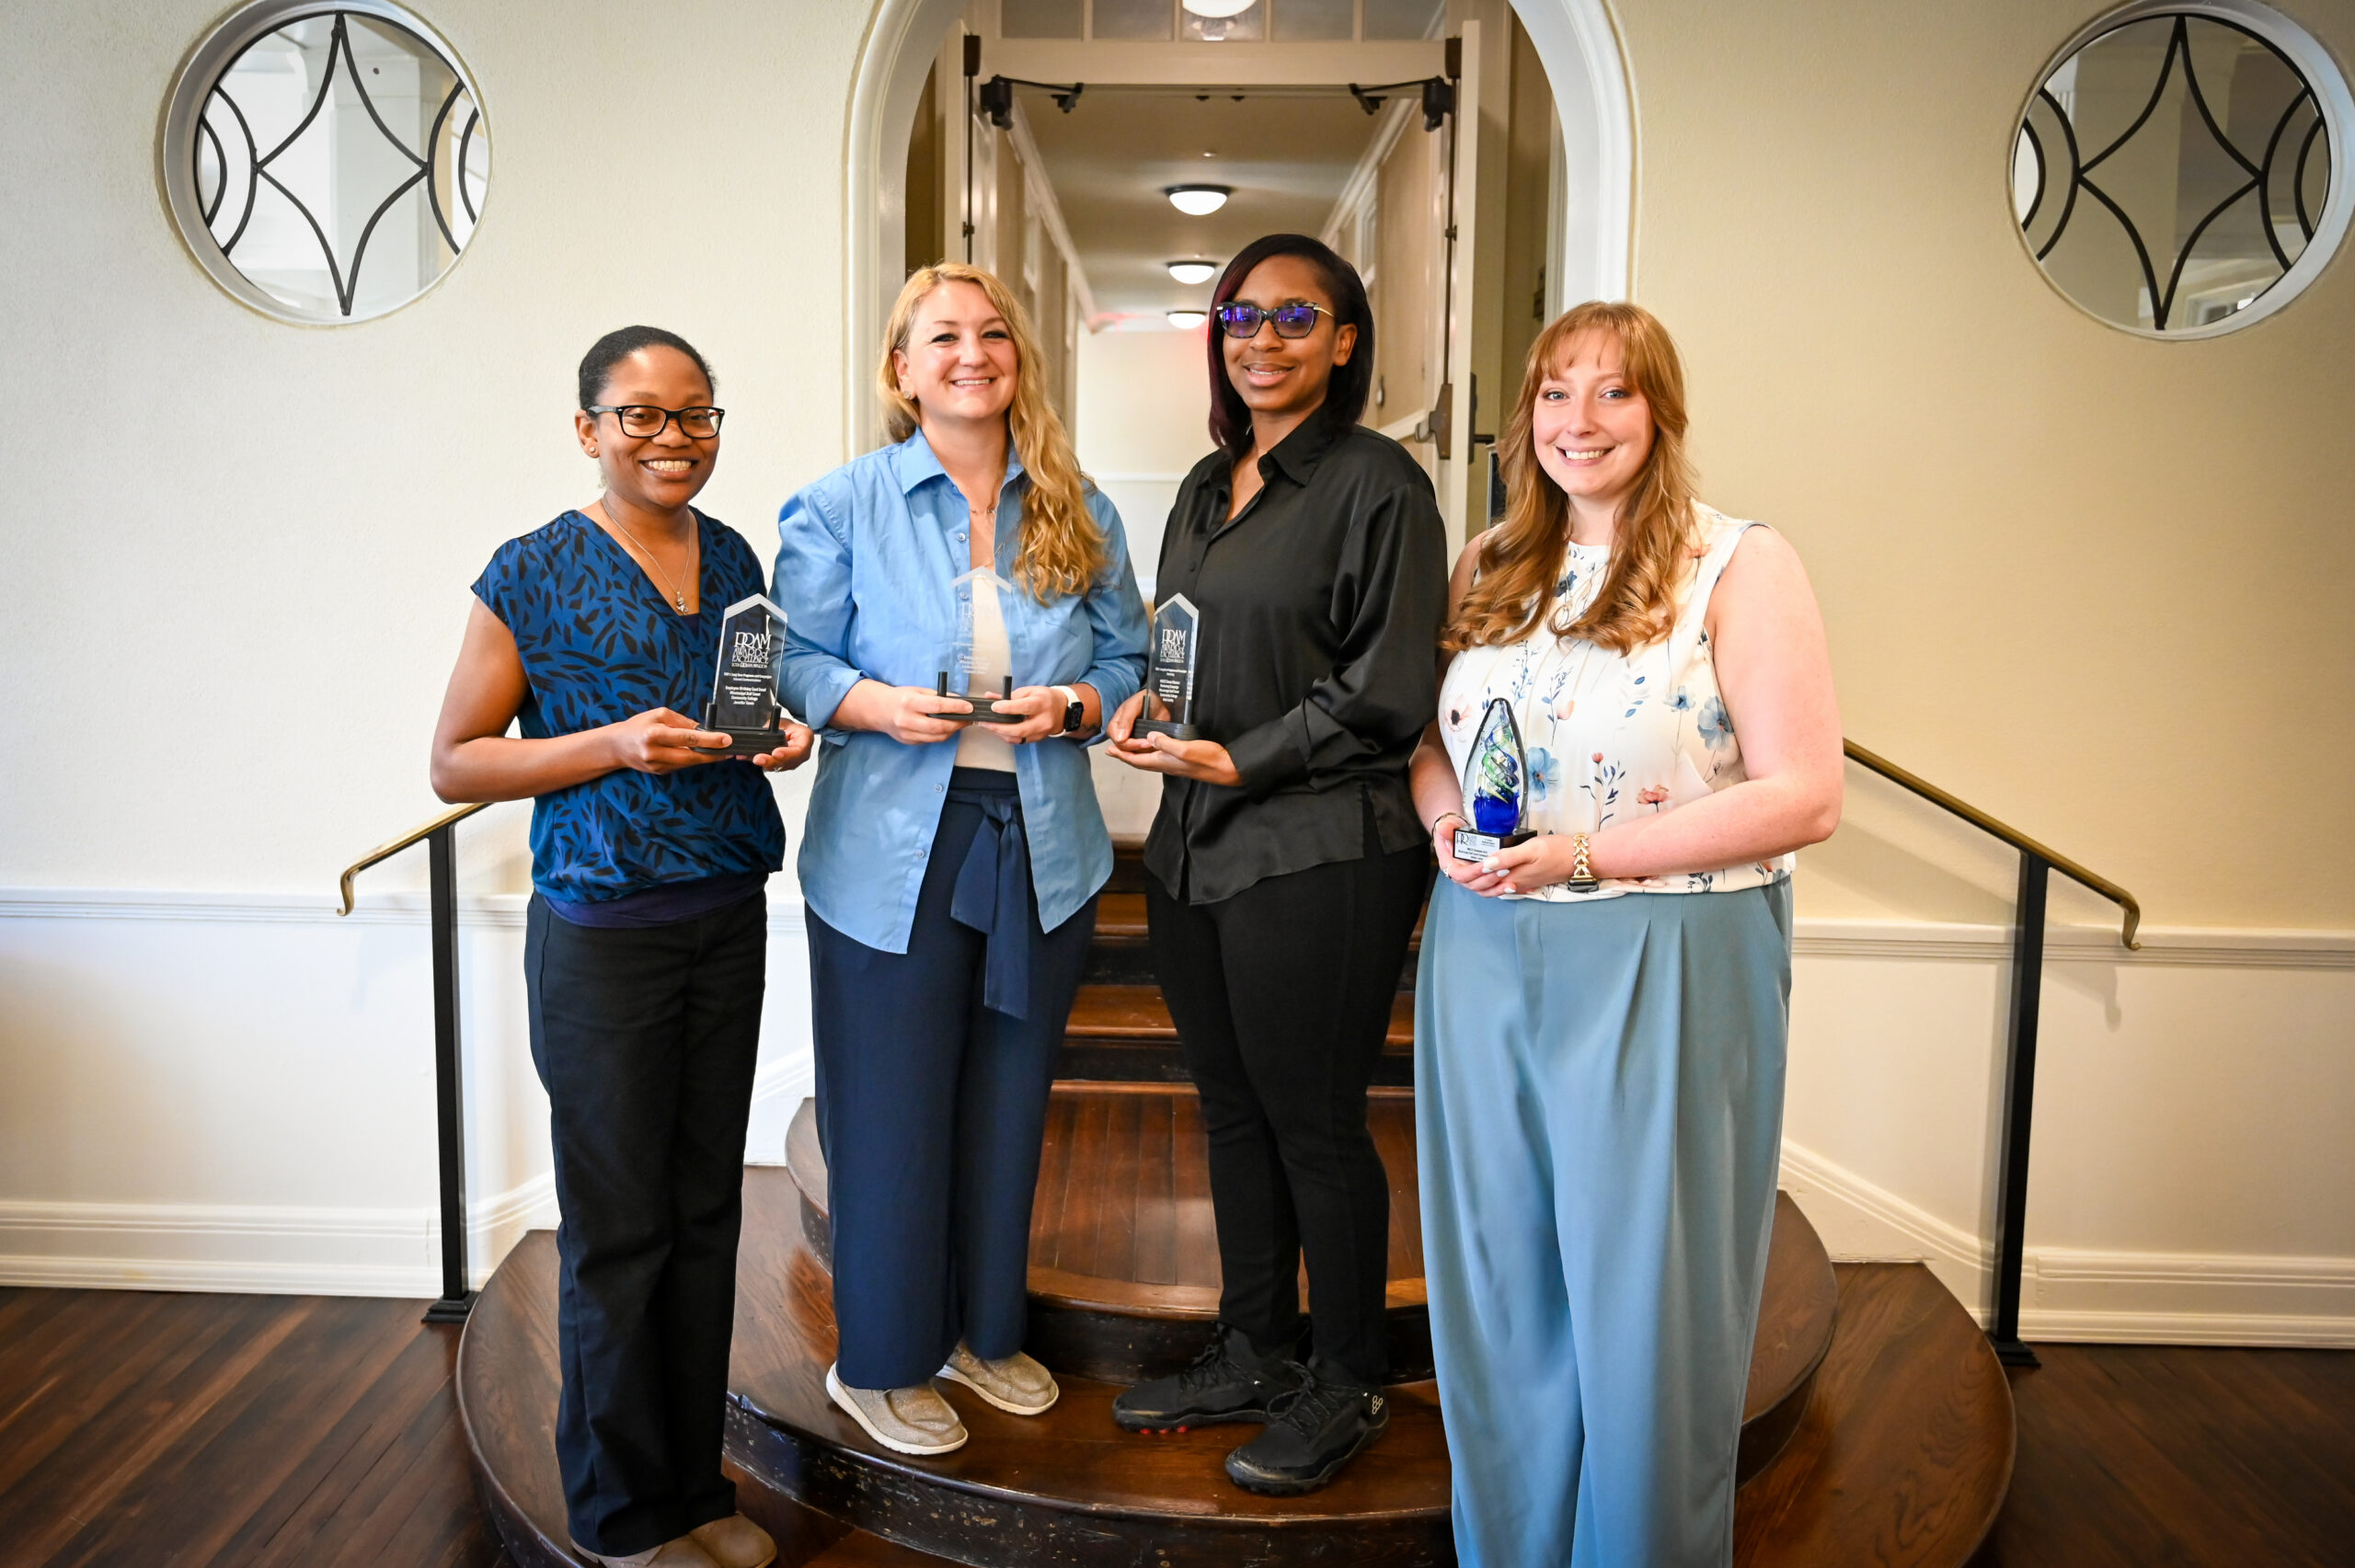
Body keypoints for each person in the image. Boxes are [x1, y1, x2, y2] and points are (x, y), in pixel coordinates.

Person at [1407, 301, 1844, 1566]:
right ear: (1523, 417)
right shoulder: (1490, 559)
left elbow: (1803, 793)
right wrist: (1443, 820)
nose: (1578, 421)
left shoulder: (1738, 562)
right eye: (1554, 393)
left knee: (1648, 1319)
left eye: (1612, 393)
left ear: (1661, 414)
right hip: (1483, 949)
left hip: (1669, 951)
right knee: (1499, 1299)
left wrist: (1594, 853)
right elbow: (1433, 740)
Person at [430, 326, 812, 1568]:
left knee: (706, 1216)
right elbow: (457, 758)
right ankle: (617, 1512)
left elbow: (740, 708)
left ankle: (692, 1489)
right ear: (587, 426)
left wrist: (776, 736)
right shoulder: (531, 569)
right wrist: (608, 745)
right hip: (602, 939)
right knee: (620, 1228)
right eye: (640, 415)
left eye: (695, 415)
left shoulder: (738, 554)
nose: (672, 439)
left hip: (723, 916)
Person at [772, 262, 1147, 1459]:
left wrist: (1084, 702)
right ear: (902, 369)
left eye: (993, 335)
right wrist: (873, 703)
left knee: (1008, 1100)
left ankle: (986, 1334)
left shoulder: (1080, 509)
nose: (971, 353)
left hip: (1044, 847)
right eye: (942, 337)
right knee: (888, 1114)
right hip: (891, 855)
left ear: (1018, 360)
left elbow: (1132, 658)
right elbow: (793, 665)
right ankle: (879, 1360)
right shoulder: (840, 505)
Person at [1106, 234, 1447, 1495]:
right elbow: (1183, 643)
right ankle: (1253, 1345)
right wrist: (1149, 706)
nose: (1261, 337)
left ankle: (1346, 1376)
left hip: (1321, 849)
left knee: (1313, 1119)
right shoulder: (1207, 483)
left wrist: (1247, 758)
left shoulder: (1379, 486)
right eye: (1240, 315)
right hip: (1191, 845)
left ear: (1345, 340)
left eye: (1295, 316)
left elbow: (1389, 688)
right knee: (1231, 1105)